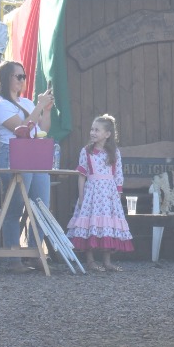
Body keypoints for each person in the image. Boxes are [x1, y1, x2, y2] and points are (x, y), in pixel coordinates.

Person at [0, 59, 54, 271]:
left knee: (41, 205)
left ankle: (36, 253)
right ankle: (13, 257)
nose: (22, 80)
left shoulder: (26, 103)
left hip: (35, 152)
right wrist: (38, 106)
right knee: (15, 206)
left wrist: (46, 110)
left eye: (24, 76)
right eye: (18, 76)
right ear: (6, 78)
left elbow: (42, 129)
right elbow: (21, 129)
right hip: (13, 153)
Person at [66, 113, 133, 272]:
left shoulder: (114, 153)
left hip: (108, 196)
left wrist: (117, 195)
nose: (93, 132)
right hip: (92, 195)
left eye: (97, 130)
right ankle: (90, 261)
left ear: (107, 134)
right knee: (90, 225)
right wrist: (82, 198)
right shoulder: (86, 151)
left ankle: (107, 261)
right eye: (92, 129)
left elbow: (118, 175)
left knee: (107, 226)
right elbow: (81, 176)